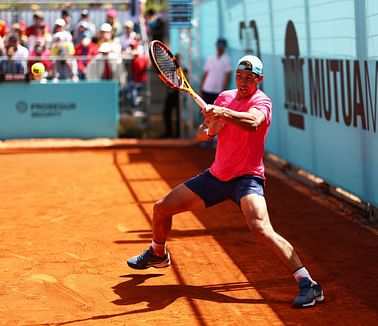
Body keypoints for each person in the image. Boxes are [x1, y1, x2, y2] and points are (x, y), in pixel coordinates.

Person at [126, 55, 325, 309]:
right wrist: (211, 128)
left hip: (246, 178)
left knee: (261, 228)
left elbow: (253, 123)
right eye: (240, 77)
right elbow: (201, 135)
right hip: (217, 176)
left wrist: (223, 113)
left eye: (249, 78)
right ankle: (157, 253)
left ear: (259, 80)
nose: (243, 82)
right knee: (161, 208)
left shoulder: (261, 101)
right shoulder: (224, 97)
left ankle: (309, 284)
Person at [200, 37, 231, 104]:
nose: (220, 48)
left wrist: (224, 90)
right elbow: (205, 74)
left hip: (218, 92)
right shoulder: (210, 59)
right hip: (207, 89)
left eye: (222, 46)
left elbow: (228, 76)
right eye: (219, 46)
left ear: (224, 47)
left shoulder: (226, 60)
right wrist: (201, 88)